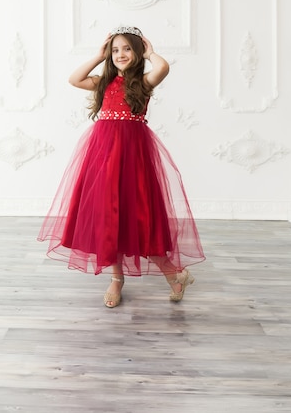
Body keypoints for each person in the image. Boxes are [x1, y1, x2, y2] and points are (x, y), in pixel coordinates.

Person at [38, 26, 205, 308]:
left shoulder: (144, 81)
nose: (121, 54)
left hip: (134, 157)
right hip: (103, 157)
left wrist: (151, 52)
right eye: (115, 50)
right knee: (108, 217)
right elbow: (74, 79)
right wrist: (98, 56)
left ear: (137, 52)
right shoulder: (103, 82)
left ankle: (176, 275)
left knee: (140, 218)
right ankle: (116, 279)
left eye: (127, 48)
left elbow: (162, 67)